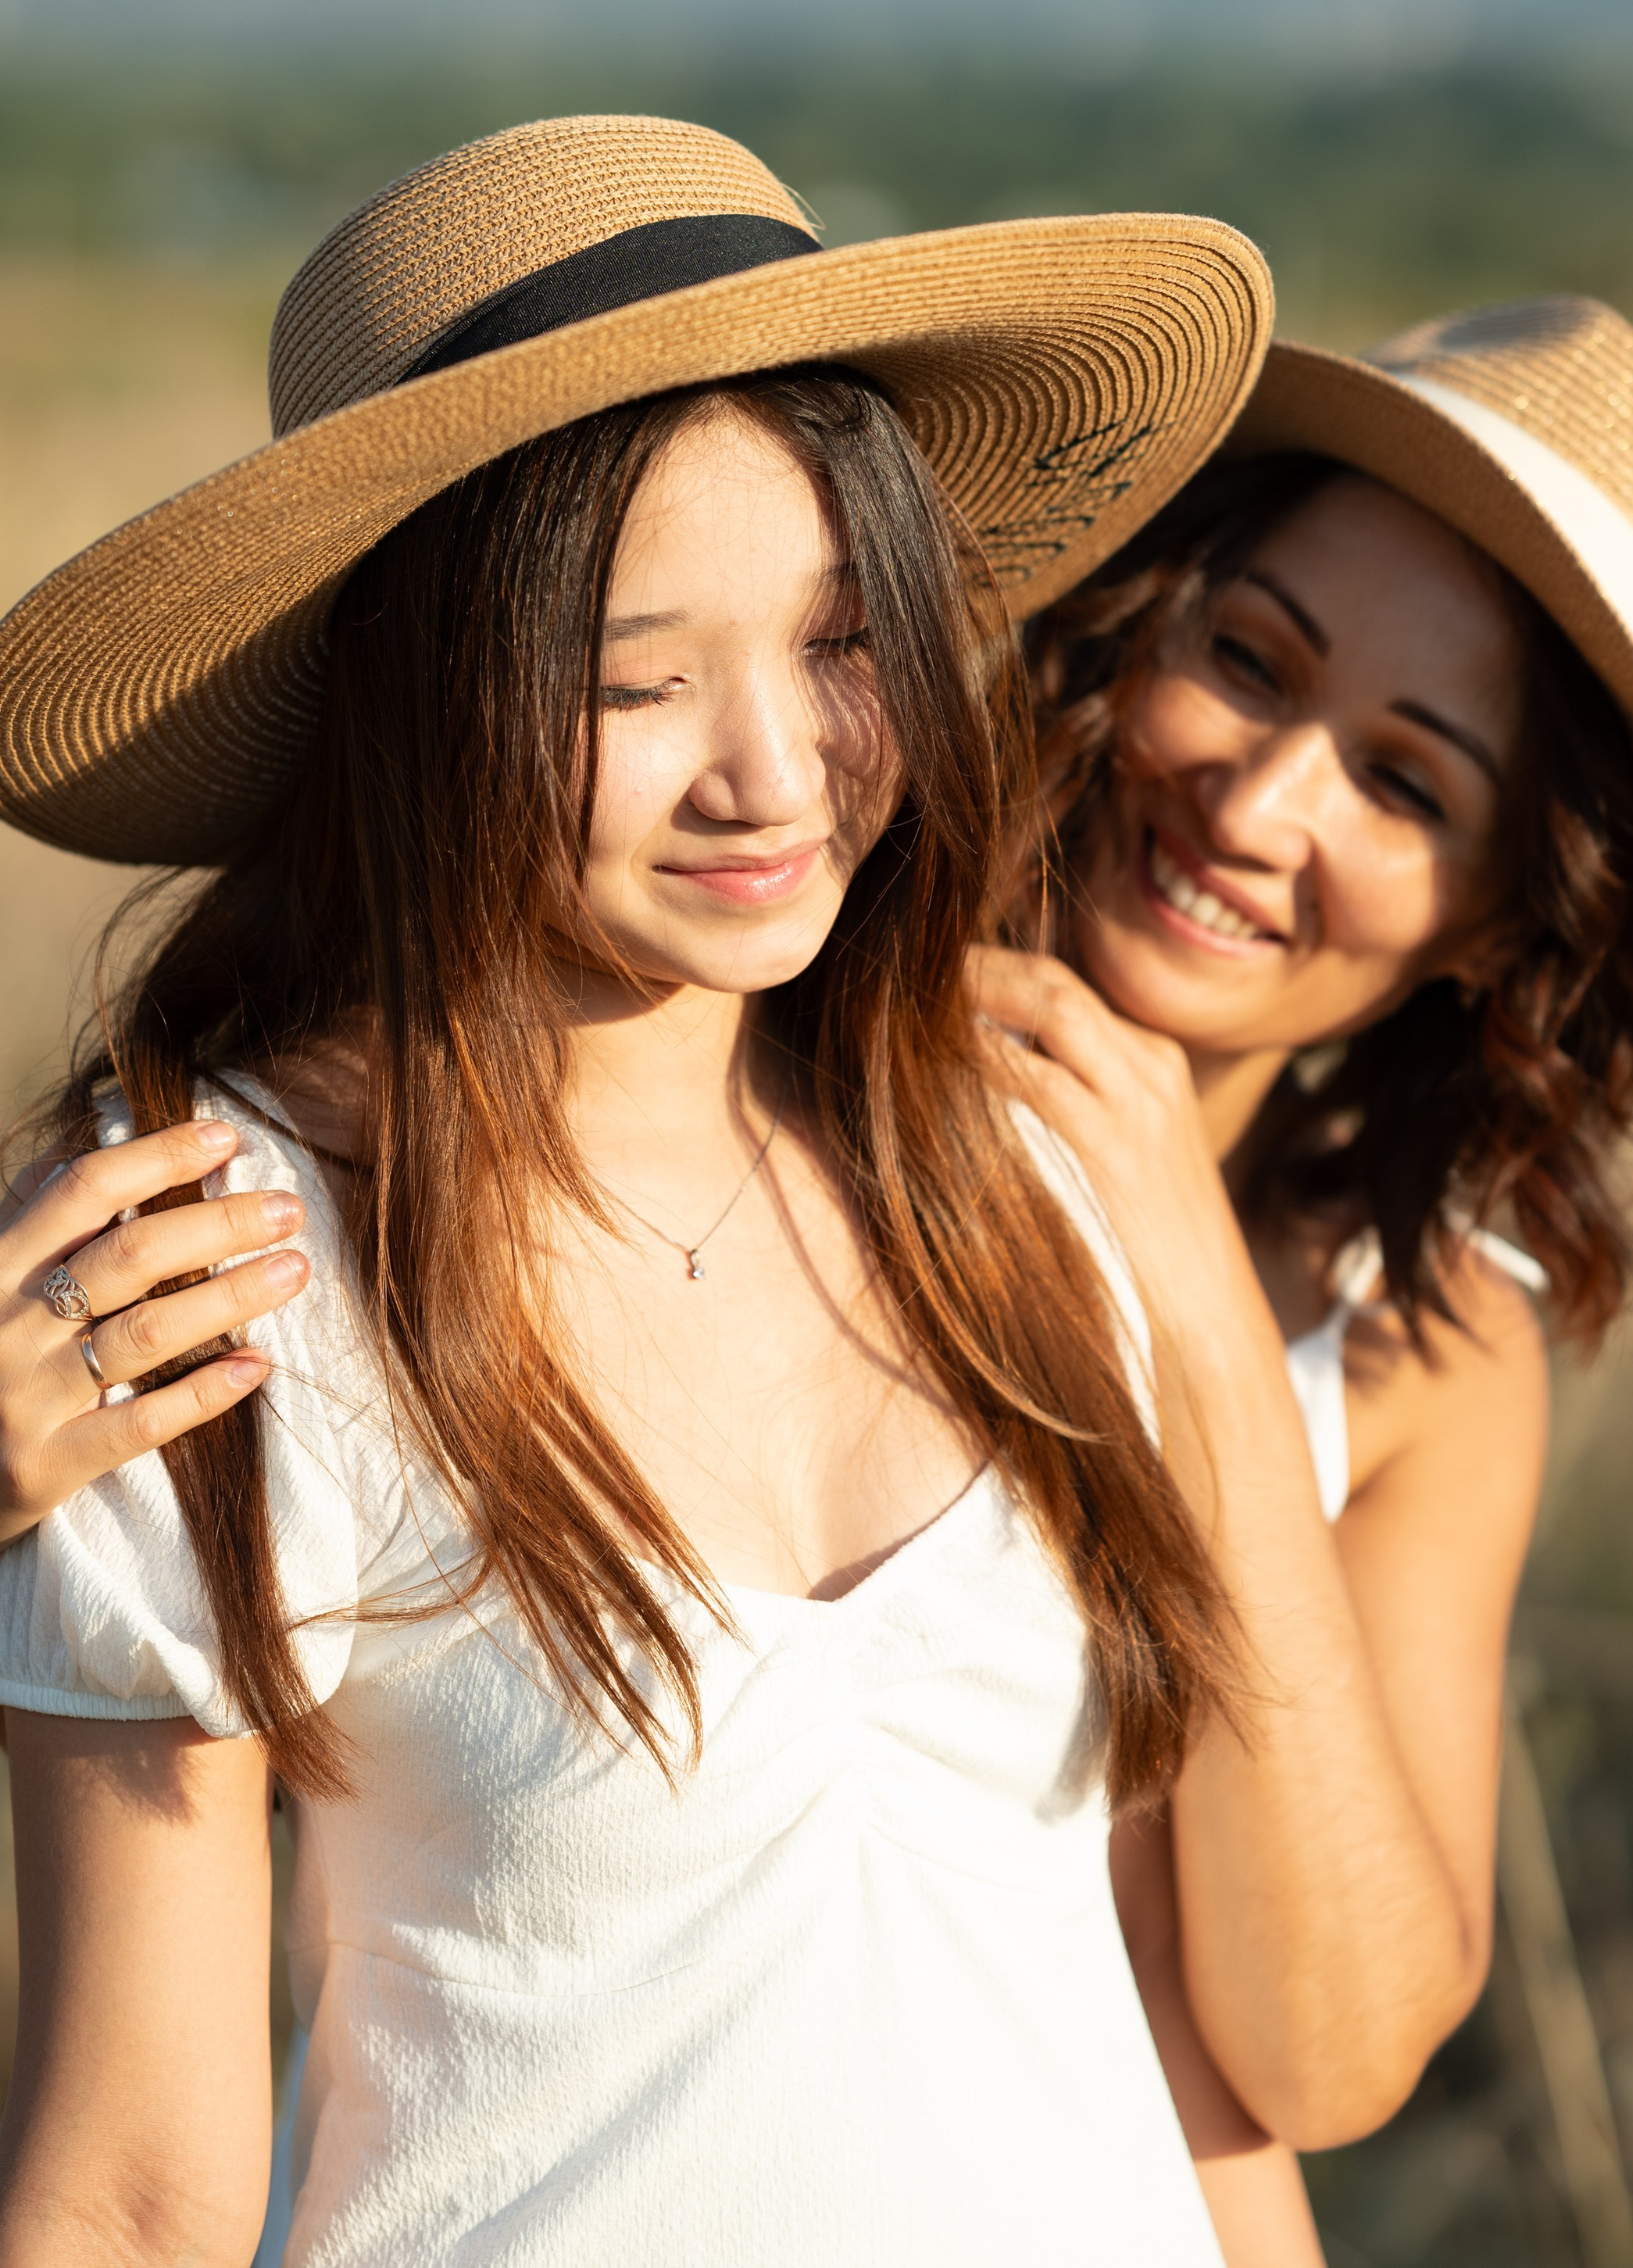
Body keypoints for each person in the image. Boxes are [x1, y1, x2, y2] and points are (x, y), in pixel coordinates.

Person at [0, 113, 1281, 2268]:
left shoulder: (1015, 1164)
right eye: (635, 679)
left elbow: (1172, 2055)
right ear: (428, 698)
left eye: (841, 639)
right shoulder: (209, 1260)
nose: (772, 773)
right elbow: (130, 2189)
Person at [980, 295, 1633, 2260]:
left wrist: (1194, 1291)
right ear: (1134, 618)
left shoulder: (1420, 1345)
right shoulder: (766, 1083)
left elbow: (1325, 2045)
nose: (1258, 814)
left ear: (1499, 926)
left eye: (1404, 786)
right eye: (1244, 662)